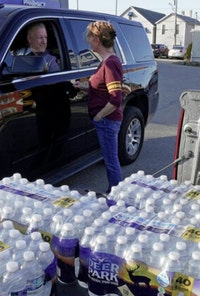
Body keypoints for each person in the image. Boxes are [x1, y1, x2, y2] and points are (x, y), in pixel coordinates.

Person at [75, 21, 123, 192]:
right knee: (110, 159)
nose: (88, 41)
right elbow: (103, 87)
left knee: (111, 161)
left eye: (89, 37)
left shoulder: (110, 63)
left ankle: (116, 197)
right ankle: (115, 194)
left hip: (107, 121)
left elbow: (116, 98)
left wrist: (99, 116)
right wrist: (83, 86)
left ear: (96, 39)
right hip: (106, 120)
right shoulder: (106, 62)